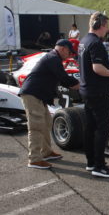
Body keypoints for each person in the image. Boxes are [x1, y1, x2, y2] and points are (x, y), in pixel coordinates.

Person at [20, 39, 79, 169]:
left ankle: (45, 152)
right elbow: (64, 78)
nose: (70, 56)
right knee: (36, 126)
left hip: (39, 95)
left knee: (47, 122)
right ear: (63, 49)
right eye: (70, 52)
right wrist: (80, 85)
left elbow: (61, 79)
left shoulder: (54, 58)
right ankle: (34, 159)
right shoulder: (53, 58)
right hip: (32, 94)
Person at [78, 12, 109, 178]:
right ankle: (99, 165)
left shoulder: (84, 41)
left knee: (91, 127)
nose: (108, 29)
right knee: (103, 128)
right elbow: (98, 68)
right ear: (99, 25)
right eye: (106, 26)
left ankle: (91, 162)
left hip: (87, 91)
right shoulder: (95, 43)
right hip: (97, 92)